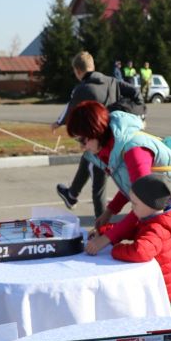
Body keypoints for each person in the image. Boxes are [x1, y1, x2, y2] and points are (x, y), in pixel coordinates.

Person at [72, 101, 171, 317]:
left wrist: (108, 239)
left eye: (82, 140)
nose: (82, 146)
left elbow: (145, 202)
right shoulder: (113, 146)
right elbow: (132, 187)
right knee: (165, 282)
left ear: (96, 131)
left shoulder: (133, 150)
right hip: (167, 211)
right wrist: (110, 211)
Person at [53, 51, 143, 217]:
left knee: (98, 185)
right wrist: (141, 114)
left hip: (99, 143)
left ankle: (102, 225)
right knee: (88, 159)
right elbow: (136, 94)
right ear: (93, 66)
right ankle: (72, 194)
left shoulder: (81, 89)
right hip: (114, 138)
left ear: (77, 71)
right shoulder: (112, 81)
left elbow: (70, 109)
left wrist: (58, 122)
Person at [109, 174, 171, 302]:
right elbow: (136, 231)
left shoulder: (157, 229)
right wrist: (108, 232)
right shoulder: (153, 219)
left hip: (160, 290)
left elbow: (140, 251)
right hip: (159, 285)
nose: (132, 207)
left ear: (150, 205)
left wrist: (116, 249)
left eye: (135, 204)